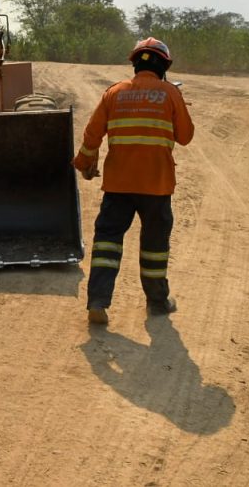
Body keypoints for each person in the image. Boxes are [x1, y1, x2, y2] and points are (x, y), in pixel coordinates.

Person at [73, 37, 194, 325]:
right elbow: (186, 137)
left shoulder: (114, 93)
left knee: (107, 242)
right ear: (164, 65)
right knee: (154, 244)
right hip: (157, 183)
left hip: (118, 185)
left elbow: (92, 135)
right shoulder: (169, 93)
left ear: (134, 63)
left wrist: (84, 164)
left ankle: (98, 302)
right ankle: (157, 303)